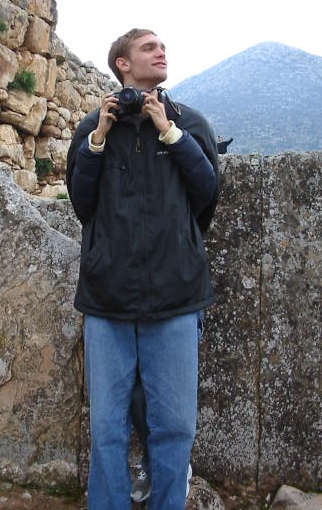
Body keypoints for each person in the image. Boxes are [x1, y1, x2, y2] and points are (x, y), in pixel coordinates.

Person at [66, 28, 219, 510]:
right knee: (106, 427)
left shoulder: (189, 123)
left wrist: (169, 132)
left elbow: (206, 194)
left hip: (175, 296)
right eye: (149, 47)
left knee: (175, 426)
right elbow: (82, 203)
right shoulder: (93, 127)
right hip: (107, 299)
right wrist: (97, 141)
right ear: (122, 64)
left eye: (162, 46)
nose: (161, 51)